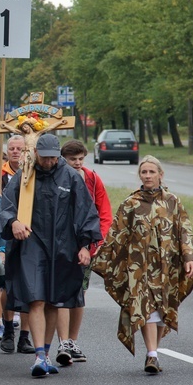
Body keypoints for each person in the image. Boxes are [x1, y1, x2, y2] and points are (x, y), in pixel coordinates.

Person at [0, 133, 101, 377]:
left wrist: (85, 245)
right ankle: (39, 356)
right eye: (44, 158)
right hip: (31, 244)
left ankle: (45, 350)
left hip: (63, 246)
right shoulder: (24, 175)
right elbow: (6, 206)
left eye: (53, 158)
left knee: (55, 300)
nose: (48, 162)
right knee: (37, 298)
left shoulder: (71, 176)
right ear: (36, 154)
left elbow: (86, 211)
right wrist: (13, 222)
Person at [92, 155, 193, 375]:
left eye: (151, 172)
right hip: (139, 266)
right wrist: (101, 259)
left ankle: (154, 352)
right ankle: (151, 355)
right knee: (146, 307)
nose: (147, 176)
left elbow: (184, 231)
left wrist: (189, 259)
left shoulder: (172, 201)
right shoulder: (131, 203)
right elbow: (116, 234)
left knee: (162, 310)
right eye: (144, 172)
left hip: (168, 266)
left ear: (160, 174)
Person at [54, 139, 113, 365]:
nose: (77, 163)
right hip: (61, 245)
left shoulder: (92, 178)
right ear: (63, 159)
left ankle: (73, 340)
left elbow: (104, 213)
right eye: (72, 160)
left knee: (79, 294)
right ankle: (63, 342)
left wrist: (96, 244)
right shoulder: (57, 177)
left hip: (86, 245)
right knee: (61, 294)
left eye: (80, 159)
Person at [0, 135, 35, 354]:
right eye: (11, 148)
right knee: (8, 284)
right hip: (9, 235)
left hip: (33, 236)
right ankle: (8, 330)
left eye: (19, 149)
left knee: (32, 286)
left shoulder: (36, 173)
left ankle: (25, 336)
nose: (15, 152)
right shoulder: (0, 175)